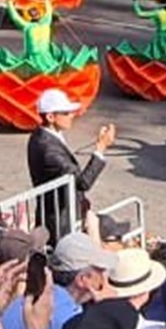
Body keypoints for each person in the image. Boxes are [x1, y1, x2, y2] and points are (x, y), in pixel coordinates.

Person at [26, 89, 115, 238]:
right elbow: (83, 182)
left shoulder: (46, 135)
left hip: (65, 211)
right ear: (50, 117)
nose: (72, 115)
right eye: (66, 113)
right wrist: (100, 148)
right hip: (60, 221)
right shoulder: (48, 150)